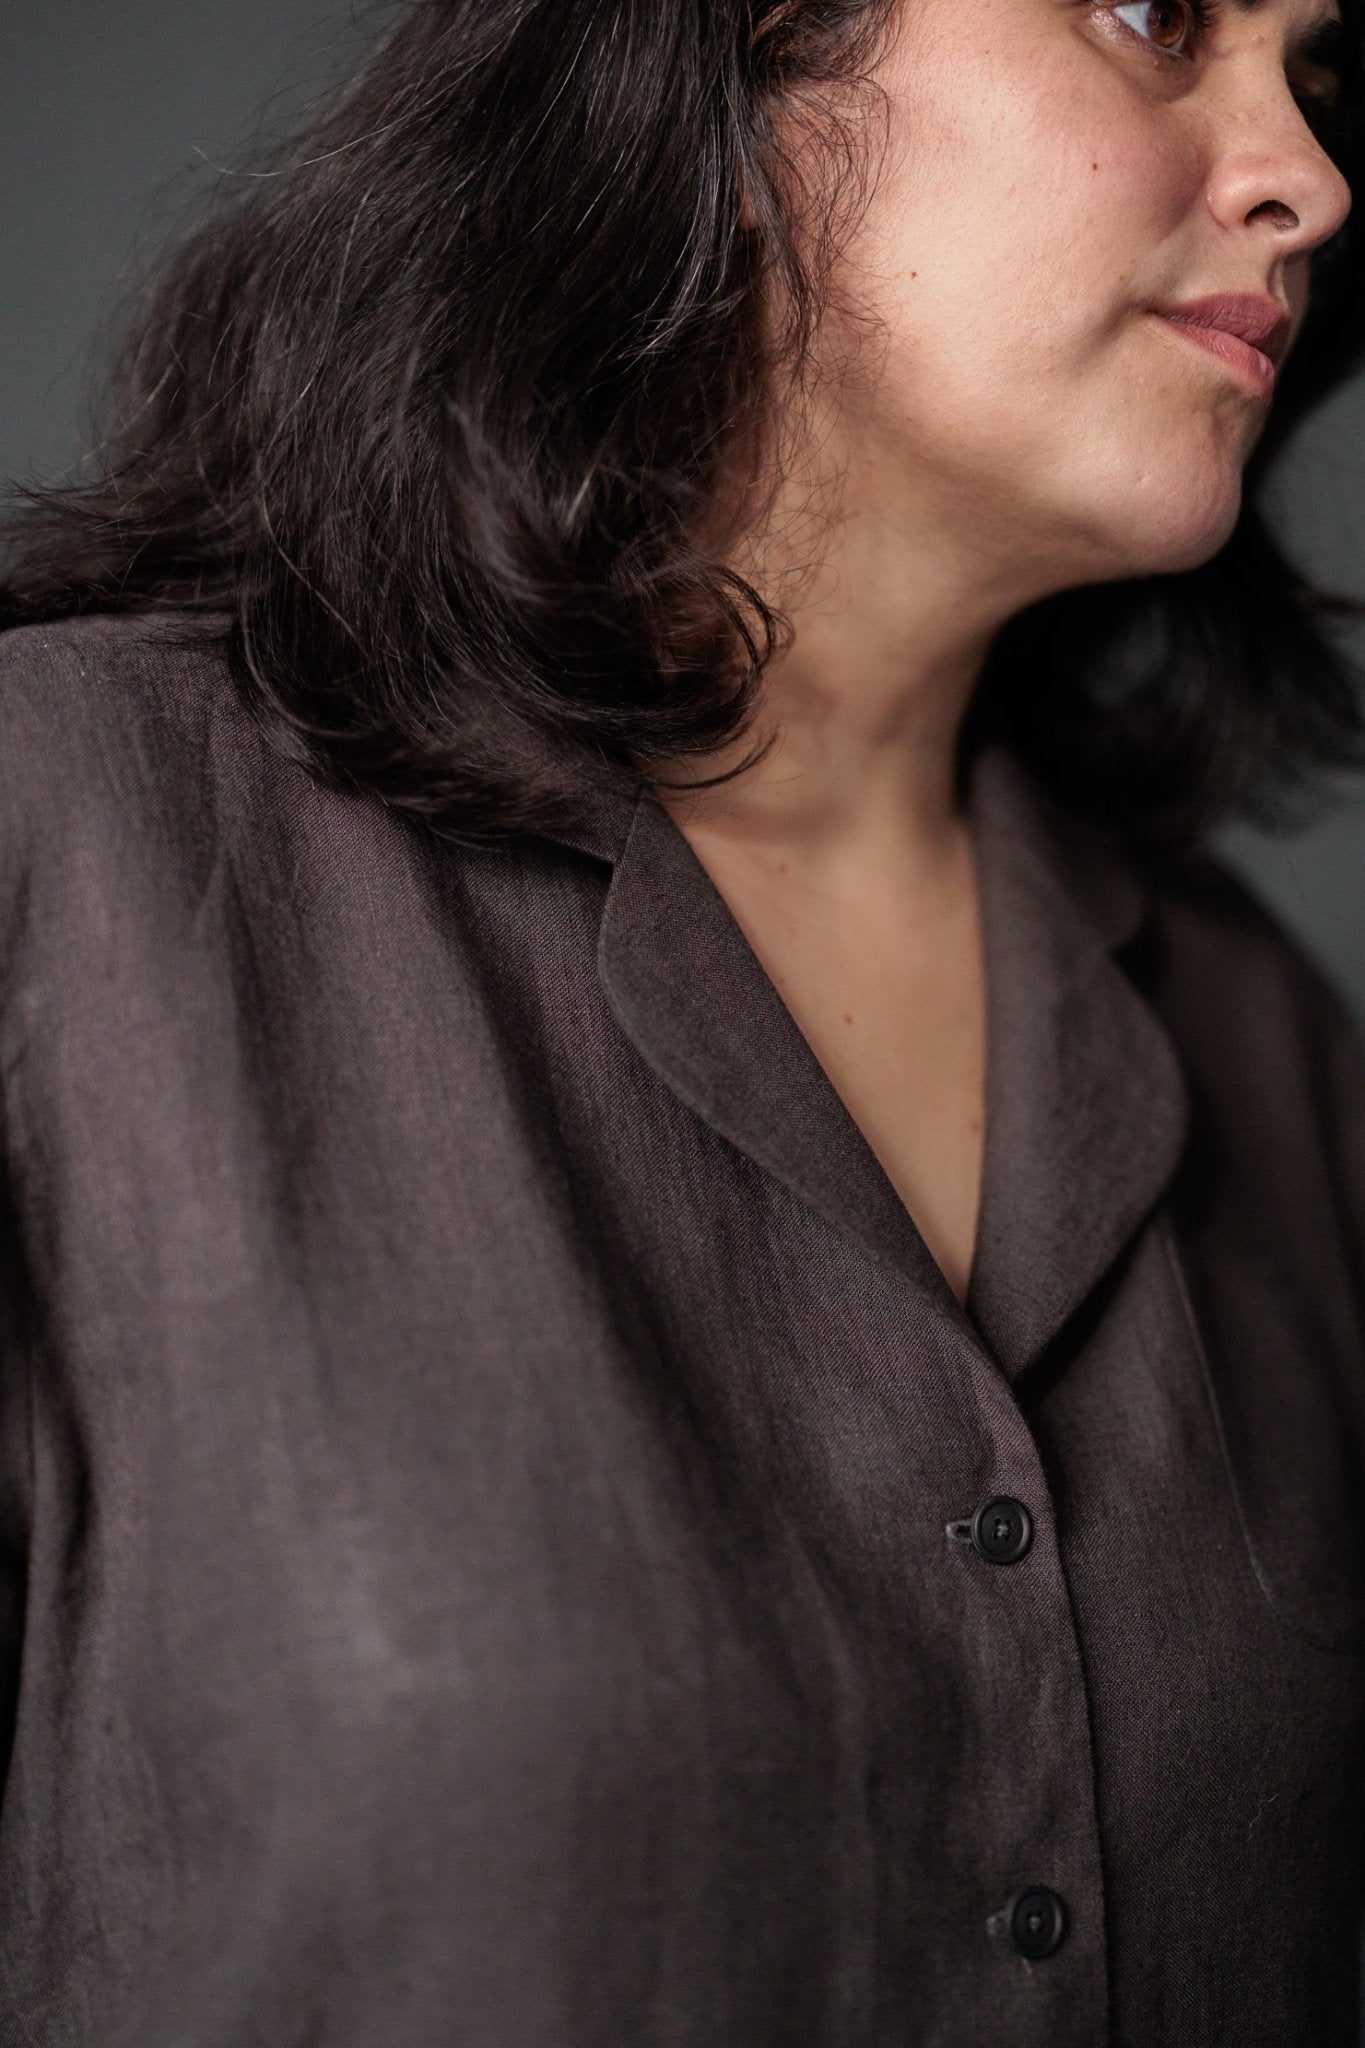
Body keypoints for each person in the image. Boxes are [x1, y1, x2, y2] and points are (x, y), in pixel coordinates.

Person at [0, 0, 1363, 2039]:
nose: (1309, 180)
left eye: (1315, 76)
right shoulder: (64, 837)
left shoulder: (1261, 1040)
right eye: (1153, 16)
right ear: (727, 66)